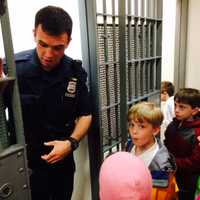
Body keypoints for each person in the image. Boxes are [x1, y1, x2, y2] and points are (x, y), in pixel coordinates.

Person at [3, 6, 92, 200]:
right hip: (24, 166)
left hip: (63, 164)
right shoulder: (13, 69)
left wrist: (71, 143)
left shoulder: (75, 72)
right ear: (34, 34)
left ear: (68, 41)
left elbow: (86, 114)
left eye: (57, 47)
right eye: (43, 44)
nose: (48, 54)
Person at [126, 101, 178, 199]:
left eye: (141, 126)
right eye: (131, 125)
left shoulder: (162, 166)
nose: (134, 131)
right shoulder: (130, 144)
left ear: (155, 130)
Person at [164, 88, 200, 200]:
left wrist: (172, 163)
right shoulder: (173, 125)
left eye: (182, 107)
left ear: (194, 111)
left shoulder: (197, 132)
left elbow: (195, 162)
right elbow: (166, 144)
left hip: (187, 181)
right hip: (171, 175)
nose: (176, 110)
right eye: (175, 105)